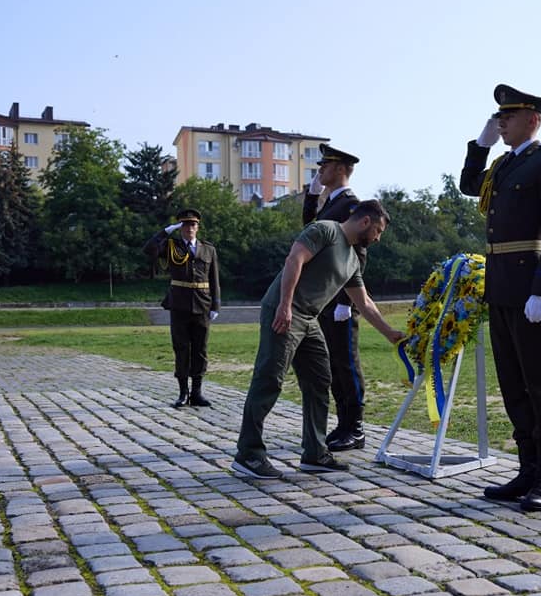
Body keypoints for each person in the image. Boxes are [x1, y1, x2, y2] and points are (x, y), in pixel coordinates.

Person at [459, 84, 541, 511]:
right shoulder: (506, 166)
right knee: (512, 382)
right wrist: (480, 146)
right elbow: (471, 185)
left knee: (539, 382)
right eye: (498, 117)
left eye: (507, 117)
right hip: (502, 287)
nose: (501, 122)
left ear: (533, 118)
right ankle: (527, 469)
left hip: (530, 286)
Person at [233, 200, 404, 479]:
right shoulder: (325, 230)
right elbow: (294, 259)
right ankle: (248, 454)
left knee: (320, 381)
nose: (378, 237)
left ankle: (315, 452)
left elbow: (364, 302)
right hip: (284, 311)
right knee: (269, 379)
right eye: (378, 230)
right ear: (365, 222)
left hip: (310, 320)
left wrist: (391, 333)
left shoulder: (352, 259)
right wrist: (285, 305)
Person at [303, 143, 367, 452]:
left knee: (346, 364)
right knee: (332, 364)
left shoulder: (351, 205)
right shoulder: (332, 204)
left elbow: (359, 254)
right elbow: (310, 230)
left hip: (340, 299)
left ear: (340, 169)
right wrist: (312, 195)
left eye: (325, 166)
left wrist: (346, 301)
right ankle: (343, 425)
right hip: (326, 298)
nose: (320, 170)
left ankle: (355, 427)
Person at [144, 208, 221, 408]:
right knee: (181, 349)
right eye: (185, 225)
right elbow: (148, 248)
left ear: (198, 227)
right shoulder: (171, 246)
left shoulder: (208, 249)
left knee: (200, 349)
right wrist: (166, 231)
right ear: (180, 228)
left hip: (203, 305)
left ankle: (197, 392)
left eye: (192, 224)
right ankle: (183, 393)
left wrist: (216, 305)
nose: (189, 228)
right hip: (179, 305)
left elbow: (214, 279)